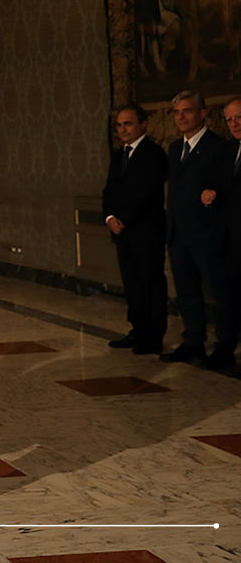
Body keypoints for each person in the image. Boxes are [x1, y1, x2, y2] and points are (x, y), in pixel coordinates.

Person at [161, 90, 234, 368]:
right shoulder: (174, 149)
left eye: (187, 111)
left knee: (220, 292)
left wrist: (214, 193)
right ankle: (193, 341)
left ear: (202, 114)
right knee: (187, 292)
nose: (181, 117)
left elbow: (227, 191)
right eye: (177, 112)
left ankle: (225, 346)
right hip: (178, 236)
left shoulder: (220, 148)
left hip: (208, 237)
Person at [102, 104, 169, 355]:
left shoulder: (154, 154)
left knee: (150, 282)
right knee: (132, 283)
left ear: (142, 125)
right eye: (119, 125)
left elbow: (147, 193)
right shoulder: (119, 156)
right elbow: (109, 190)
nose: (122, 130)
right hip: (123, 233)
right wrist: (110, 217)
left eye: (127, 124)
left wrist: (124, 219)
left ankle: (153, 336)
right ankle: (138, 330)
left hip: (146, 230)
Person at [217, 96, 241, 371]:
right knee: (228, 298)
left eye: (239, 117)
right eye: (230, 119)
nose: (235, 124)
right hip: (230, 241)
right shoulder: (228, 150)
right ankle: (225, 347)